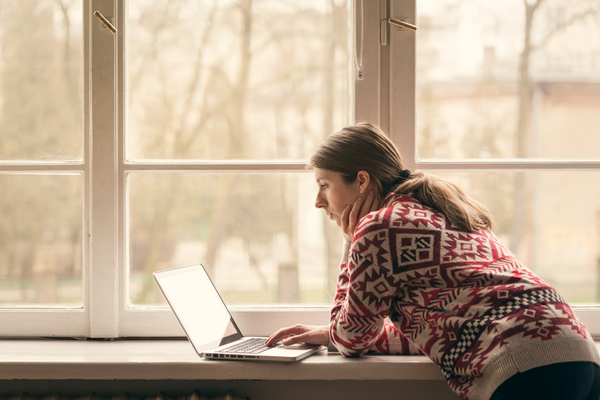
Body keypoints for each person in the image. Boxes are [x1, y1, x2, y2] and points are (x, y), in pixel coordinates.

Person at [265, 122, 600, 400]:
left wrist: (351, 243)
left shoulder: (378, 228)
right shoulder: (440, 209)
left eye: (325, 185)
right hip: (576, 350)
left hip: (524, 363)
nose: (318, 202)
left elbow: (351, 340)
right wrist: (331, 334)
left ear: (362, 180)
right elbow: (439, 328)